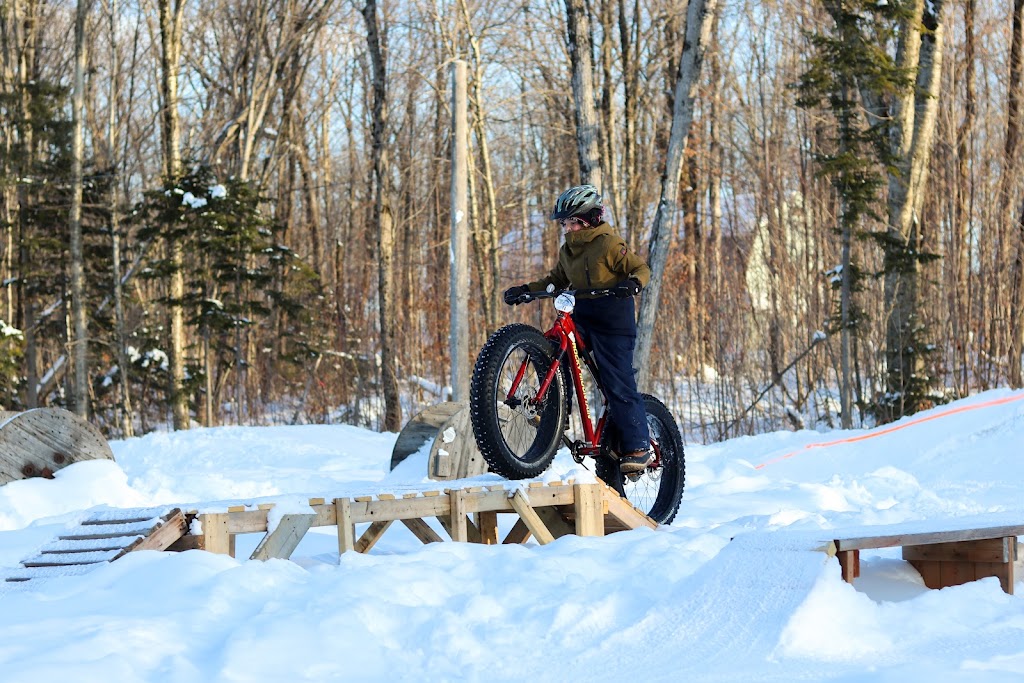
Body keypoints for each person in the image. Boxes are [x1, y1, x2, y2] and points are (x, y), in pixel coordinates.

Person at [502, 184, 653, 473]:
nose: (567, 228)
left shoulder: (609, 244)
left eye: (572, 222)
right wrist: (525, 290)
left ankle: (639, 446)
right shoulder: (567, 251)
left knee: (616, 382)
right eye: (565, 223)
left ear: (589, 220)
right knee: (554, 351)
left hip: (613, 322)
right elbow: (555, 280)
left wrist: (632, 284)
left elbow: (640, 268)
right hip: (582, 315)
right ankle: (556, 414)